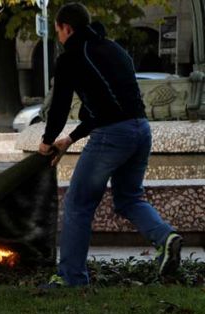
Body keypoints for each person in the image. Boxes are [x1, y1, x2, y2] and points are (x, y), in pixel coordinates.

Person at [38, 3, 182, 287]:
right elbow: (111, 103)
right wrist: (70, 139)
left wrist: (46, 141)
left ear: (66, 27)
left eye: (58, 31)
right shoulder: (114, 50)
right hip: (141, 131)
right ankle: (165, 237)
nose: (59, 37)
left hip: (112, 136)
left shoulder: (72, 57)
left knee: (78, 204)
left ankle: (71, 278)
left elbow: (59, 105)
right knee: (129, 198)